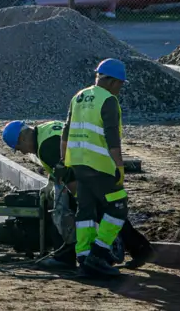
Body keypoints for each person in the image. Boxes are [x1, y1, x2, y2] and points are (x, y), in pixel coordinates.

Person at [3, 119, 152, 269]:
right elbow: (61, 164)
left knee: (66, 212)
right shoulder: (45, 130)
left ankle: (66, 257)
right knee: (109, 212)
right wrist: (52, 181)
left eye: (19, 147)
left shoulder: (46, 147)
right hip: (98, 166)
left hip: (91, 174)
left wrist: (80, 202)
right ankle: (141, 250)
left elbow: (70, 179)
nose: (23, 152)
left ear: (22, 137)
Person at [60, 58, 133, 277]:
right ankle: (99, 254)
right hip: (100, 166)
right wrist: (119, 166)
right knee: (118, 207)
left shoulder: (78, 97)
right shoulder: (108, 100)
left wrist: (64, 163)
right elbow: (112, 137)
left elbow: (65, 132)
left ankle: (83, 256)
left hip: (78, 165)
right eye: (120, 83)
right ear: (110, 81)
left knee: (86, 211)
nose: (120, 88)